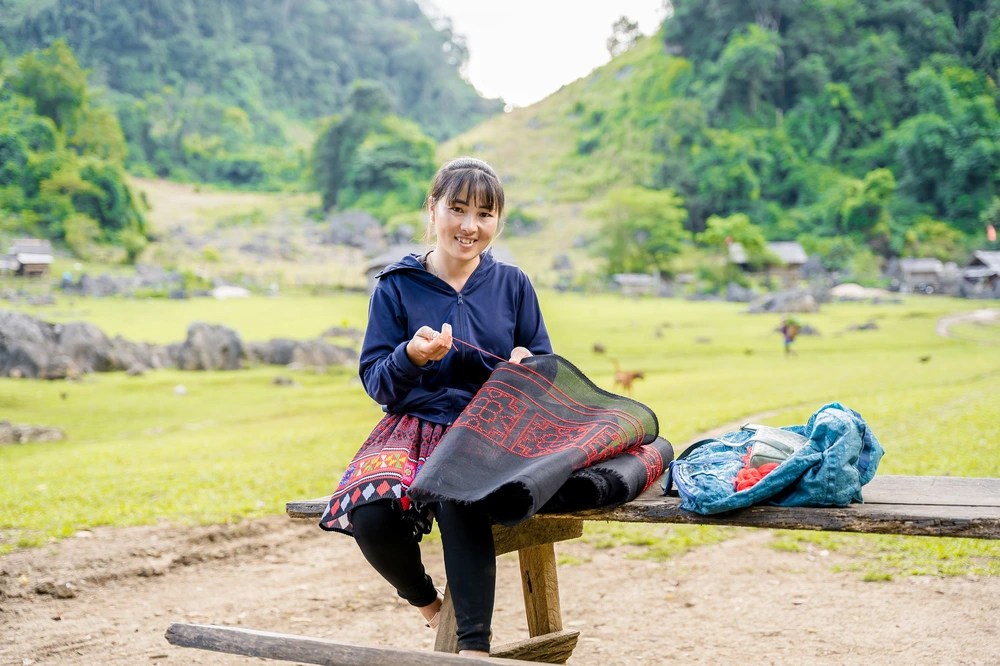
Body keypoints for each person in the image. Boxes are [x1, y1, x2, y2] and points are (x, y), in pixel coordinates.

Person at [318, 156, 553, 657]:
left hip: (487, 432)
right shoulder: (396, 286)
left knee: (457, 492)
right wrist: (411, 356)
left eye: (485, 215)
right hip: (412, 429)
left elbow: (544, 367)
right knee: (370, 513)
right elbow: (377, 381)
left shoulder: (513, 285)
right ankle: (431, 608)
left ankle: (473, 649)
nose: (470, 226)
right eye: (458, 209)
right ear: (434, 209)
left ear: (498, 222)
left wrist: (525, 363)